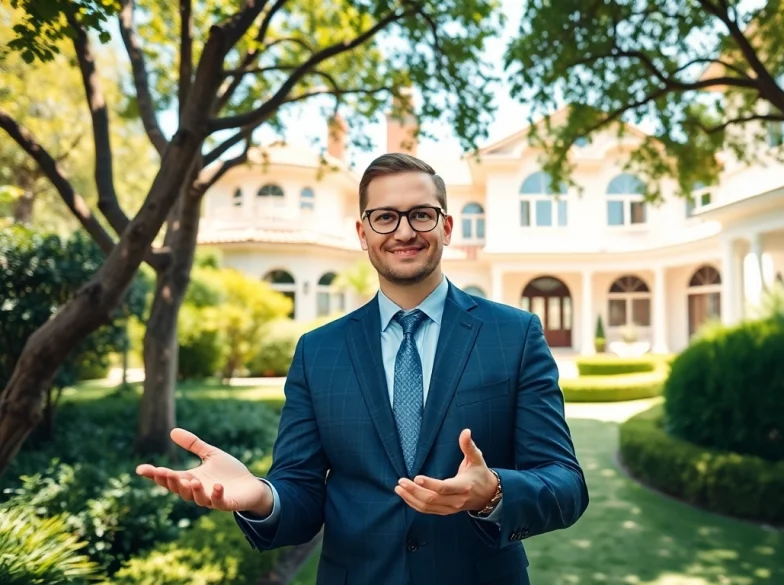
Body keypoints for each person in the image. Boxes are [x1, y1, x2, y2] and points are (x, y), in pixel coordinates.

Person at [135, 152, 589, 585]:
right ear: (363, 231)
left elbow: (565, 483)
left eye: (422, 215)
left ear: (447, 227)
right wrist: (259, 496)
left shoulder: (515, 334)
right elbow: (301, 488)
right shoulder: (318, 351)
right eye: (385, 217)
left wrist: (493, 492)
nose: (404, 231)